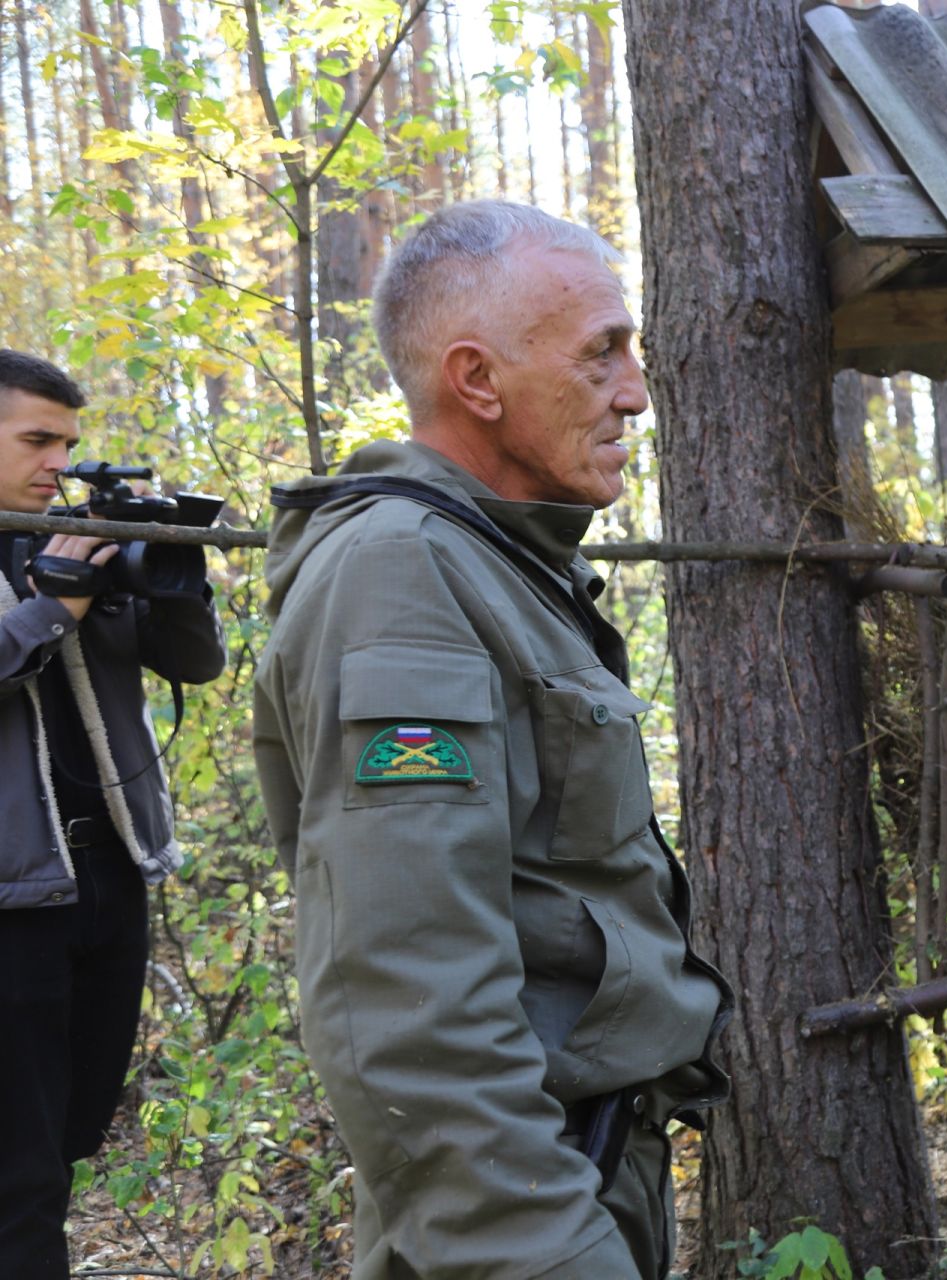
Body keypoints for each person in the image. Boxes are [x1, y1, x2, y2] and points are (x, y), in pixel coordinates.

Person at [251, 201, 731, 1280]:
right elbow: (410, 1007)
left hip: (576, 1174)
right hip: (515, 1217)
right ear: (478, 381)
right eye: (602, 353)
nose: (635, 392)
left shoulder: (494, 562)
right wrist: (550, 1252)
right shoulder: (400, 576)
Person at [0, 350, 226, 1277]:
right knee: (19, 1172)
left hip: (108, 878)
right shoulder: (58, 567)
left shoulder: (77, 538)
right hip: (8, 904)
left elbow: (196, 665)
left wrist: (171, 576)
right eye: (37, 440)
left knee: (70, 1137)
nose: (60, 462)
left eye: (70, 443)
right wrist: (52, 605)